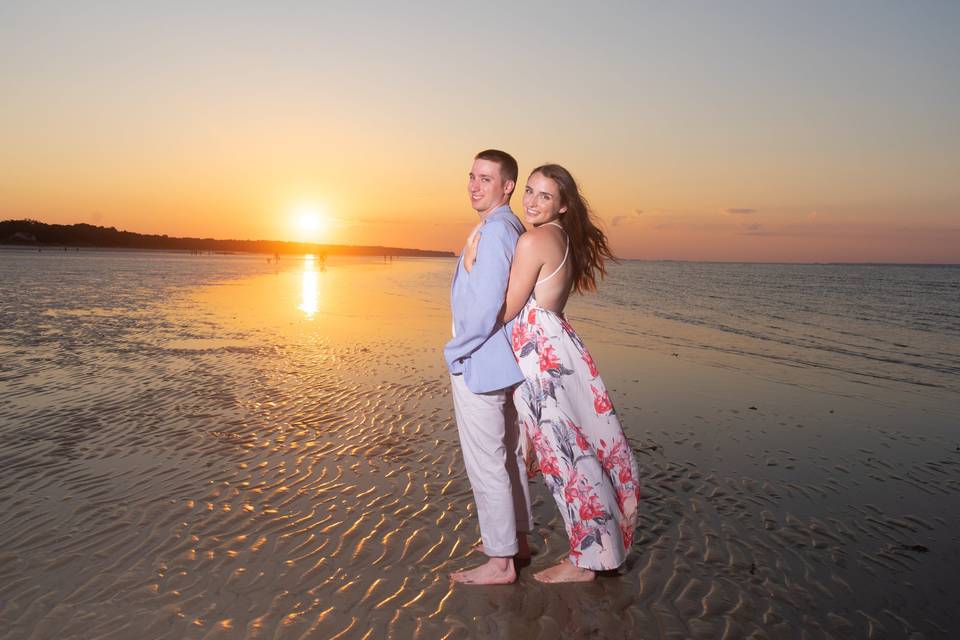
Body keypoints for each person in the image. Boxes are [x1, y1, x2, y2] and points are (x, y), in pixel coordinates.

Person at [464, 164, 641, 583]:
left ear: (562, 206)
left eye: (544, 196)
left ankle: (588, 560)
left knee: (566, 458)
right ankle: (594, 547)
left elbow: (504, 310)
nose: (531, 201)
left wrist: (473, 269)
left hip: (542, 359)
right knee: (574, 451)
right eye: (529, 191)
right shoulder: (562, 238)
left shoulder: (534, 239)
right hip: (557, 349)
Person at [444, 149, 534, 585]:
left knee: (488, 461)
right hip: (501, 361)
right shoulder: (505, 226)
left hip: (481, 360)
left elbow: (485, 308)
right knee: (509, 456)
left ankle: (501, 562)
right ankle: (514, 539)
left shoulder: (497, 230)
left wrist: (455, 352)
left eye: (485, 178)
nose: (474, 185)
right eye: (472, 177)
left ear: (507, 186)